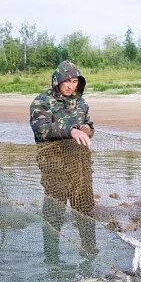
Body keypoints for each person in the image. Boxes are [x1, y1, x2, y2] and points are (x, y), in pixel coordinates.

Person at [30, 60, 97, 263]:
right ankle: (51, 258)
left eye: (74, 81)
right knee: (54, 214)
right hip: (54, 167)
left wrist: (86, 130)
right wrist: (70, 130)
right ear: (57, 81)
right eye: (66, 81)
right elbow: (41, 130)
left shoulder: (82, 103)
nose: (70, 86)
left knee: (85, 211)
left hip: (80, 167)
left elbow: (89, 125)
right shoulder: (41, 102)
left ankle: (90, 253)